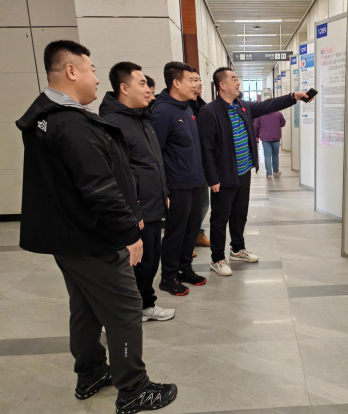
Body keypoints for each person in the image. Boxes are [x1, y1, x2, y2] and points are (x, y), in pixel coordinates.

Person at [15, 40, 176, 413]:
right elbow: (100, 188)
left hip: (69, 237)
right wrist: (129, 234)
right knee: (125, 309)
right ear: (71, 71)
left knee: (85, 306)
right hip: (93, 236)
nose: (96, 78)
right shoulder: (71, 123)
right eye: (90, 70)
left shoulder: (45, 116)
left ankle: (90, 374)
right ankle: (134, 389)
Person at [197, 67, 313, 276]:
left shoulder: (242, 106)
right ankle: (217, 258)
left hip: (244, 171)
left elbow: (268, 105)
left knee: (240, 213)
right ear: (222, 85)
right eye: (234, 79)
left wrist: (294, 96)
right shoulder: (209, 112)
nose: (238, 82)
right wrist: (212, 178)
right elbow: (206, 149)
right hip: (224, 175)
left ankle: (237, 249)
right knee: (220, 218)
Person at [99, 61, 174, 322]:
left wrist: (164, 192)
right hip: (137, 210)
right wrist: (134, 211)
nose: (148, 90)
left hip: (152, 205)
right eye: (141, 84)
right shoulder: (113, 123)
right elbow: (117, 175)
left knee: (150, 261)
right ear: (124, 88)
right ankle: (123, 314)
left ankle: (145, 305)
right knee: (133, 265)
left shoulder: (141, 118)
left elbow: (152, 162)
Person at [151, 62, 207, 295]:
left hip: (194, 181)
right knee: (176, 232)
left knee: (191, 229)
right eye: (191, 80)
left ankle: (185, 269)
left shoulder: (186, 108)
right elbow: (155, 153)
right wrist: (164, 190)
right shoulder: (163, 112)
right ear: (176, 83)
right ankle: (169, 276)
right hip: (177, 185)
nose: (196, 85)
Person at [187, 67, 211, 251]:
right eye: (194, 80)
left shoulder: (202, 107)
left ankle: (197, 233)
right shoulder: (179, 108)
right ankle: (186, 240)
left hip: (202, 162)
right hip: (185, 166)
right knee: (188, 205)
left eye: (199, 79)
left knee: (203, 202)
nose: (199, 83)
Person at [254, 111, 286, 178]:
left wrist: (256, 136)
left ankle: (268, 174)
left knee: (267, 156)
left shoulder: (260, 115)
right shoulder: (278, 114)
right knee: (275, 155)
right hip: (276, 137)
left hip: (265, 138)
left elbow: (256, 126)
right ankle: (276, 171)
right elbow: (283, 123)